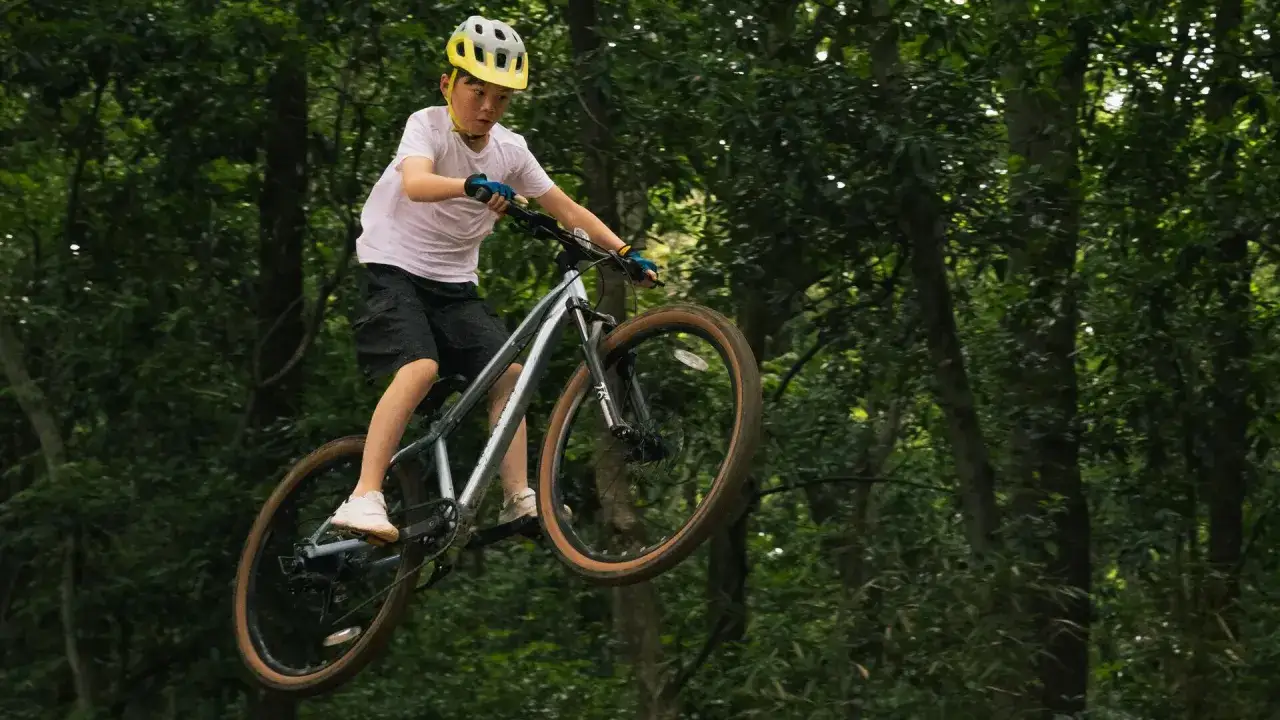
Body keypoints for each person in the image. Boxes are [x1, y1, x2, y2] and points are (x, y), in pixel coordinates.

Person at [329, 15, 658, 542]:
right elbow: (414, 182)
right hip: (395, 270)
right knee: (419, 369)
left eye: (500, 99)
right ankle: (364, 496)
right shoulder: (427, 125)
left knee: (509, 376)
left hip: (455, 285)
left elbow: (564, 207)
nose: (486, 107)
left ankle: (517, 500)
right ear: (448, 85)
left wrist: (623, 251)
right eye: (475, 91)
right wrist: (468, 184)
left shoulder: (511, 151)